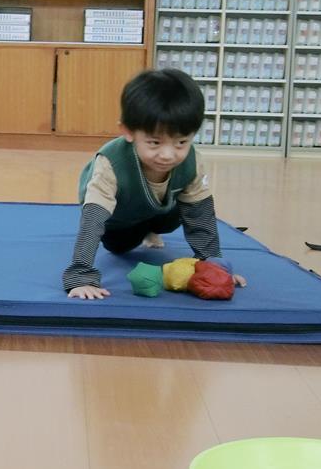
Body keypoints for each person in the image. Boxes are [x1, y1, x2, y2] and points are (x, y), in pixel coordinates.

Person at [63, 68, 246, 299]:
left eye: (181, 142)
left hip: (160, 210)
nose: (168, 155)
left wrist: (215, 268)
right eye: (154, 143)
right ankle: (140, 231)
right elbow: (93, 221)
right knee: (119, 246)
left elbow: (200, 216)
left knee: (188, 209)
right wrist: (80, 277)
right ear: (128, 132)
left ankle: (151, 228)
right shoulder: (111, 163)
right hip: (119, 221)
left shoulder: (192, 162)